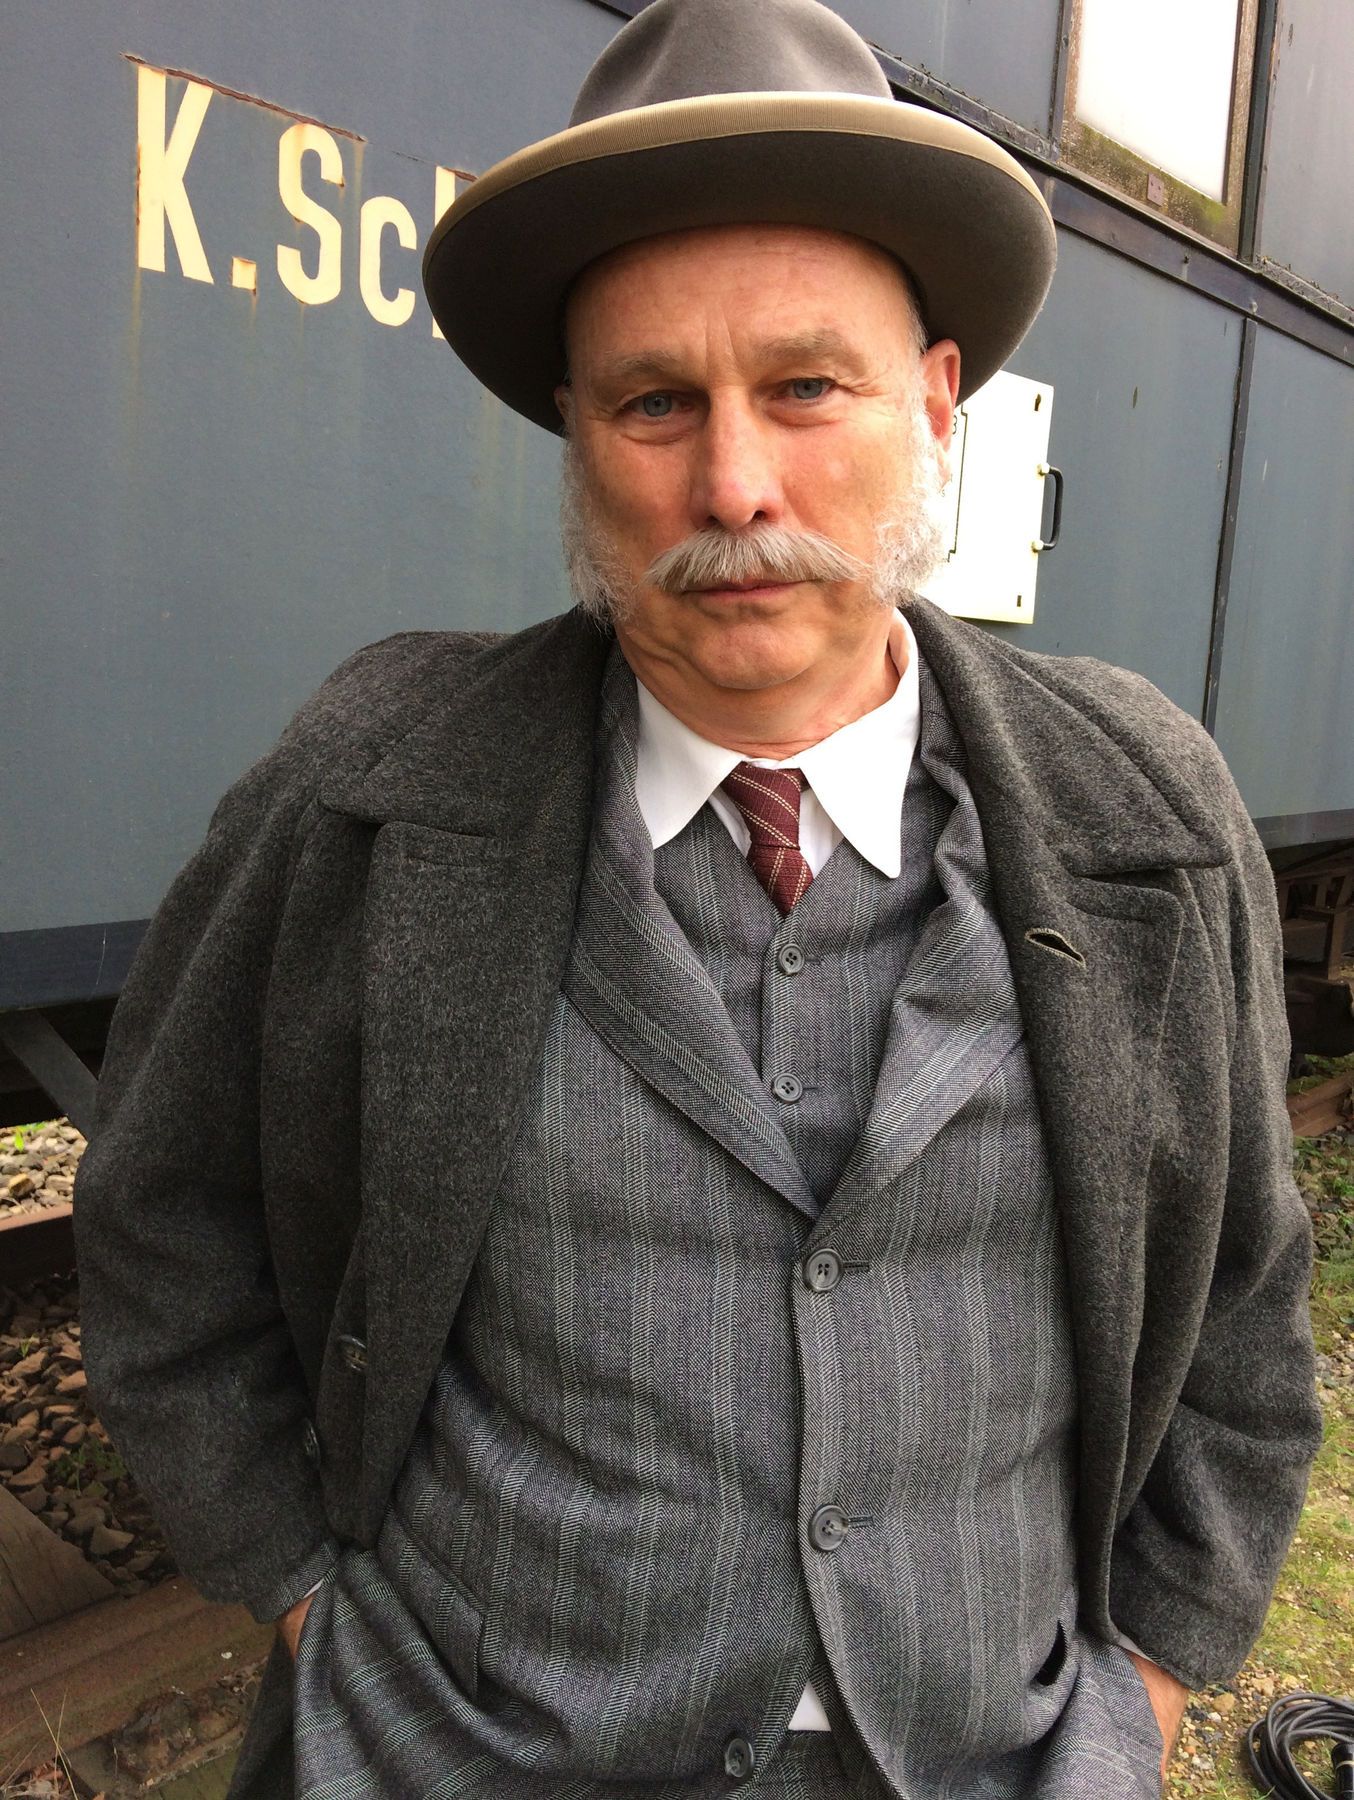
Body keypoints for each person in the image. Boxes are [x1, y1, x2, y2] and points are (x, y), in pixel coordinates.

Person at [74, 2, 1322, 1796]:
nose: (732, 486)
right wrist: (305, 1610)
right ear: (575, 436)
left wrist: (1138, 1700)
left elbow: (1239, 1314)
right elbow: (165, 1222)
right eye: (654, 401)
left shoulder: (1143, 809)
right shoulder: (368, 786)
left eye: (805, 388)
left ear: (936, 407)